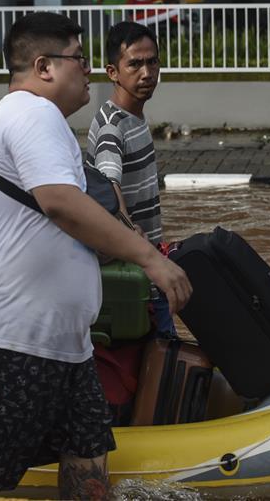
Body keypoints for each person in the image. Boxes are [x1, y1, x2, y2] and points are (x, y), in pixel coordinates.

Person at [0, 12, 191, 499]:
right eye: (79, 58)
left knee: (87, 467)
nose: (89, 70)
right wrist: (151, 259)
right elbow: (61, 203)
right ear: (44, 66)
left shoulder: (39, 121)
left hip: (62, 345)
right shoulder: (30, 112)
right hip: (8, 342)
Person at [86, 21, 175, 336]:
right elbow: (109, 183)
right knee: (163, 345)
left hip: (146, 260)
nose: (147, 73)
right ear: (113, 72)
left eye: (153, 62)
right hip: (136, 267)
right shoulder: (113, 126)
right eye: (135, 64)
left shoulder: (134, 116)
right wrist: (133, 236)